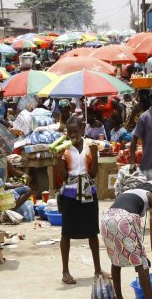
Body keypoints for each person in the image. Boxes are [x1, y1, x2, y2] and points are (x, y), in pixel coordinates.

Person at [55, 116, 108, 284]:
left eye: (75, 131)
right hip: (70, 194)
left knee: (92, 232)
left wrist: (94, 155)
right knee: (66, 233)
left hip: (88, 193)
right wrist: (57, 160)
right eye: (69, 132)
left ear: (82, 129)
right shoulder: (63, 149)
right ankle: (65, 271)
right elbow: (62, 177)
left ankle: (98, 269)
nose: (72, 135)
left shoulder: (90, 146)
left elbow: (93, 174)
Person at [101, 185, 152, 299]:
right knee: (142, 265)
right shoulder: (150, 196)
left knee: (116, 260)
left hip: (106, 218)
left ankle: (119, 297)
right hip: (123, 219)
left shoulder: (128, 193)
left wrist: (141, 255)